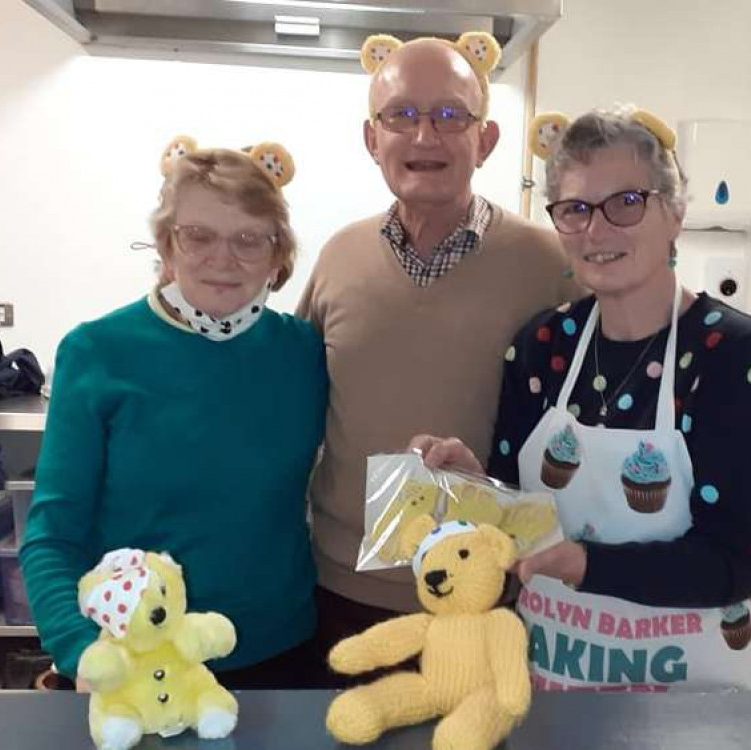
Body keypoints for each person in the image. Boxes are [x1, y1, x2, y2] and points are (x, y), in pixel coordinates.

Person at [412, 106, 751, 693]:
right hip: (555, 674)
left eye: (627, 203)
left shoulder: (732, 354)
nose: (597, 230)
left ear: (675, 214)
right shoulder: (541, 346)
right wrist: (475, 484)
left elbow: (740, 561)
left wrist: (589, 565)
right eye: (575, 210)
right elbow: (522, 515)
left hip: (696, 688)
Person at [294, 32, 579, 687]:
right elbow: (291, 404)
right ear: (372, 139)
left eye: (451, 115)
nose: (425, 136)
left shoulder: (549, 265)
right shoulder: (340, 257)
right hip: (340, 590)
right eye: (402, 115)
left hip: (491, 593)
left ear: (485, 139)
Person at [21, 138, 328, 690]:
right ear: (166, 244)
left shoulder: (302, 352)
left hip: (278, 655)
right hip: (134, 661)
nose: (223, 259)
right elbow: (52, 532)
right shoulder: (98, 351)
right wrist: (79, 650)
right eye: (198, 236)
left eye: (248, 239)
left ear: (278, 253)